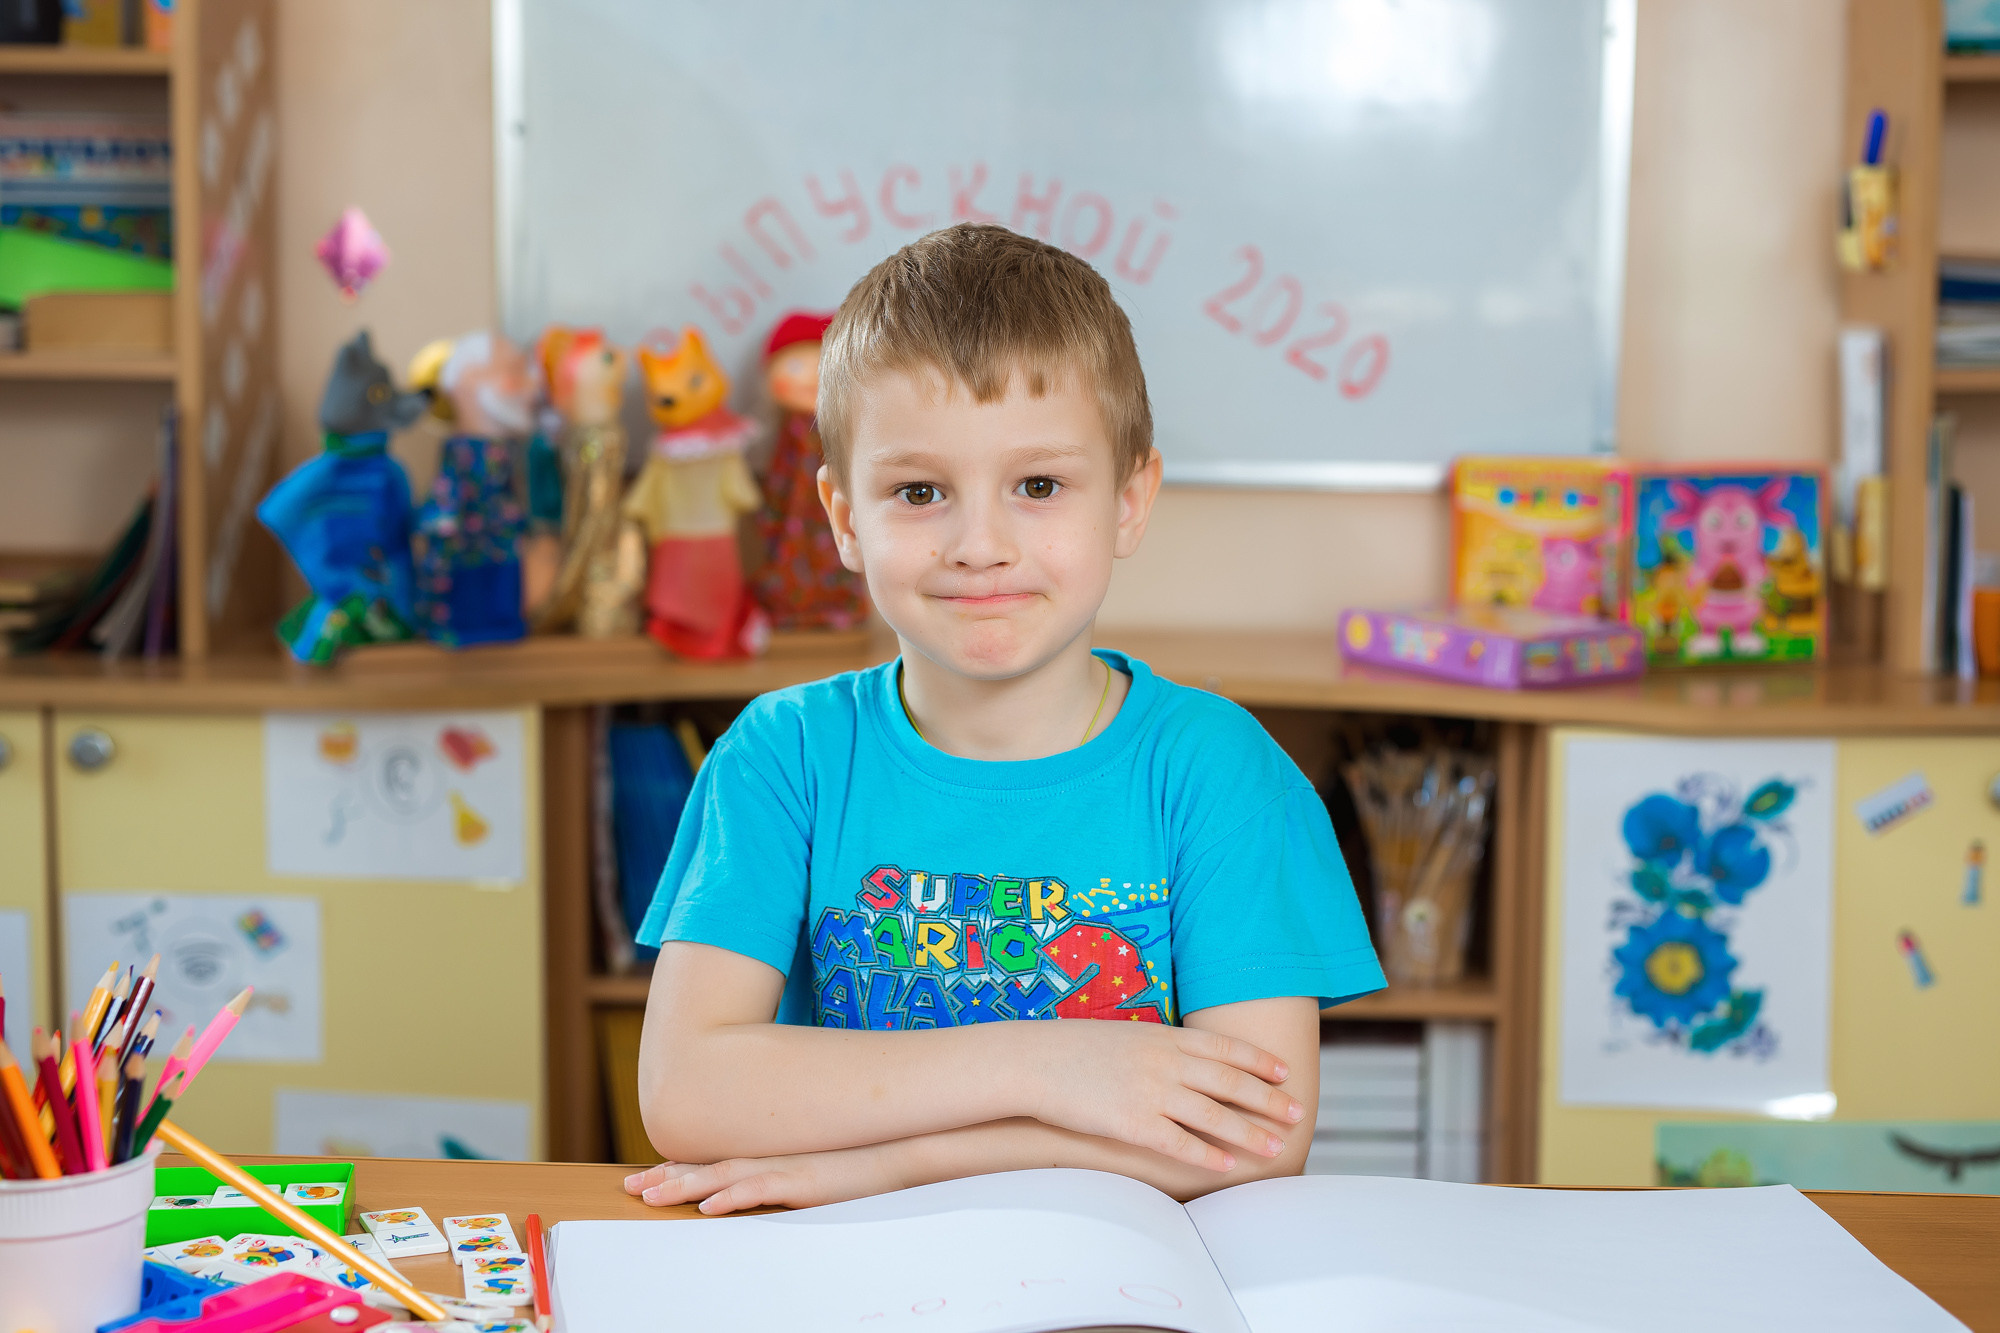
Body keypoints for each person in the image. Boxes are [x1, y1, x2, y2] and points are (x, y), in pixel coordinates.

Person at [624, 223, 1382, 1216]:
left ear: (1128, 499)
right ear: (845, 519)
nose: (978, 545)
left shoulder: (1216, 770)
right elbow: (686, 1094)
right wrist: (1052, 1065)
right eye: (918, 491)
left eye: (1036, 486)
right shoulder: (782, 758)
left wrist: (882, 1163)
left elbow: (1250, 1141)